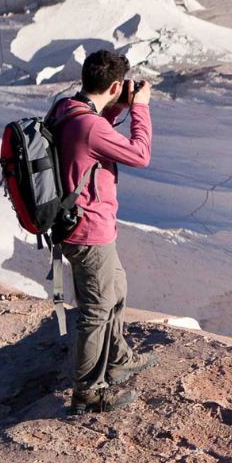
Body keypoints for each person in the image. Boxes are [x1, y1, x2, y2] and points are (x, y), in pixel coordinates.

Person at [49, 49, 155, 415]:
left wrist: (113, 103)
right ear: (114, 85)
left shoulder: (69, 109)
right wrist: (139, 106)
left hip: (85, 226)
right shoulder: (90, 126)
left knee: (117, 288)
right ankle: (89, 393)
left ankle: (119, 358)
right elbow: (140, 155)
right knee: (95, 311)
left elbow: (94, 131)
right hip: (89, 230)